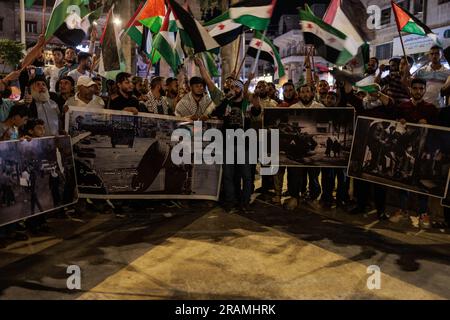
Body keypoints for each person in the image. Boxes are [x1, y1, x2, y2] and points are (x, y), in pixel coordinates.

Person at [389, 78, 439, 228]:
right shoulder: (402, 106)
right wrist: (400, 121)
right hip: (405, 153)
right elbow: (394, 126)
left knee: (421, 183)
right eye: (415, 88)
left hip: (423, 153)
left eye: (421, 88)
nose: (418, 91)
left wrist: (429, 125)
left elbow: (437, 132)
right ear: (410, 89)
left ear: (424, 90)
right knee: (404, 180)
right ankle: (403, 210)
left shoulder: (431, 109)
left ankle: (423, 214)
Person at [210, 79, 253, 213]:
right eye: (232, 87)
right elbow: (215, 113)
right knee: (228, 175)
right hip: (228, 144)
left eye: (237, 87)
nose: (234, 89)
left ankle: (244, 202)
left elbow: (256, 112)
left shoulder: (247, 104)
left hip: (243, 145)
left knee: (246, 176)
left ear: (241, 89)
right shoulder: (226, 103)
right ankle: (231, 201)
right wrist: (226, 99)